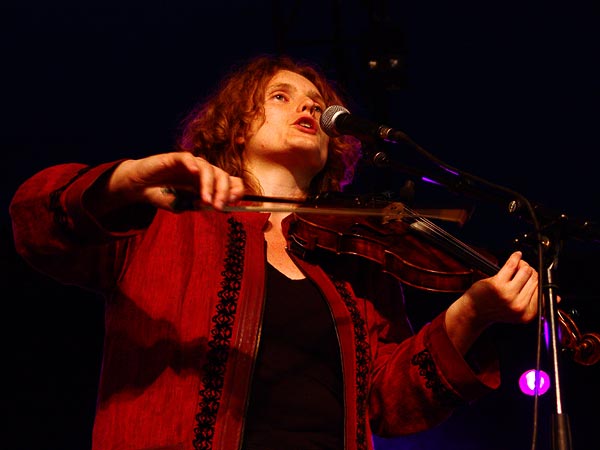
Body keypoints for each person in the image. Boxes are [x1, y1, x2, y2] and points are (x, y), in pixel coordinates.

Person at [9, 54, 539, 450]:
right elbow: (37, 223)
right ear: (236, 126)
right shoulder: (168, 220)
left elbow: (386, 402)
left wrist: (469, 314)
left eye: (317, 102)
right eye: (281, 97)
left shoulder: (353, 256)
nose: (309, 105)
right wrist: (125, 179)